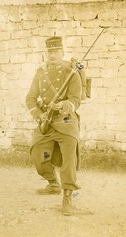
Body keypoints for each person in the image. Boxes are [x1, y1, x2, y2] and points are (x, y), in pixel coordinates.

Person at [25, 36, 82, 216]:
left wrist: (62, 106)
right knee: (37, 154)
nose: (53, 55)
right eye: (50, 52)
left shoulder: (71, 72)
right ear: (46, 54)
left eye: (56, 51)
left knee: (69, 159)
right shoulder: (40, 73)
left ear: (63, 52)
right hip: (46, 123)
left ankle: (67, 198)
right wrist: (39, 115)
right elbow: (30, 99)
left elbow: (75, 100)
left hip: (66, 122)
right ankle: (52, 183)